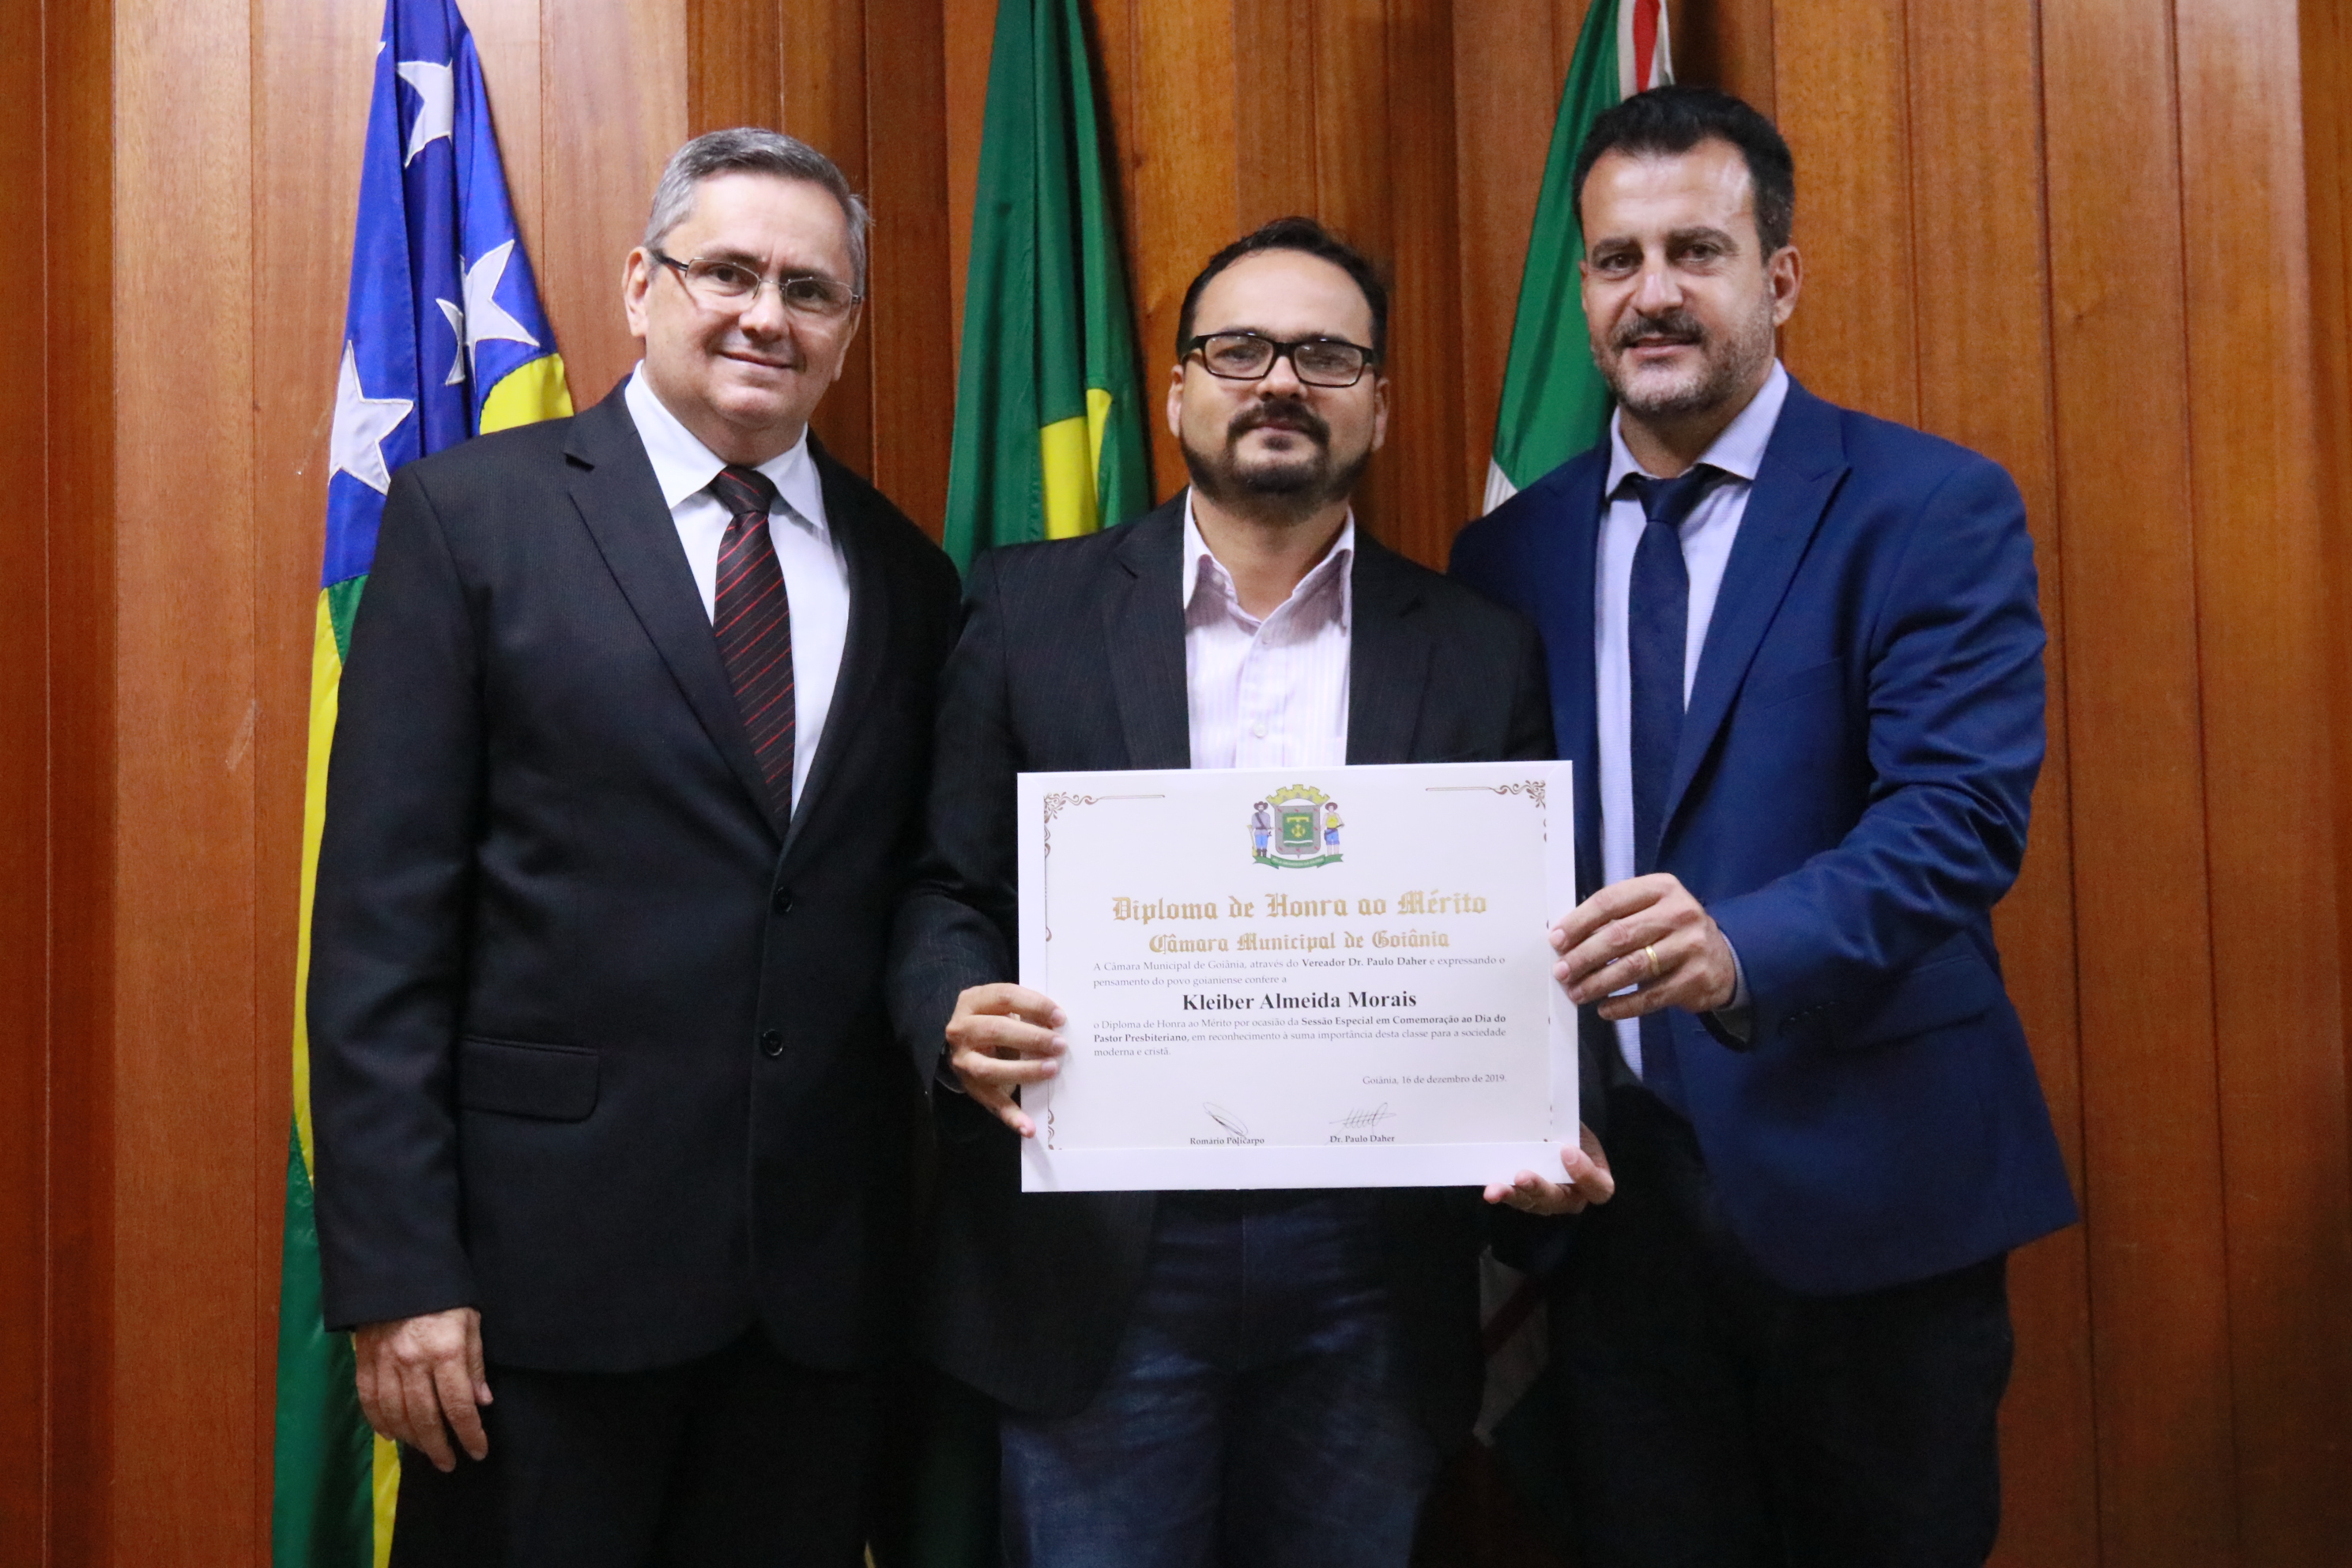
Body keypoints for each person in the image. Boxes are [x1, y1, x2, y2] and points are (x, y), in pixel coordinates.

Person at [889, 217, 1612, 1568]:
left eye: (1328, 356)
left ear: (1378, 405)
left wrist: (1556, 1113)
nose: (1281, 380)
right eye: (1240, 349)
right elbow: (946, 886)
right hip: (1099, 1260)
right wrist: (954, 1011)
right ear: (1178, 392)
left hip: (1370, 1267)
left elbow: (1530, 941)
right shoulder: (1030, 611)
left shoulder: (1478, 649)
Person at [307, 127, 961, 1567]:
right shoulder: (472, 522)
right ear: (638, 284)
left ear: (849, 328)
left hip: (812, 1314)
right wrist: (400, 1271)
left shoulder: (910, 576)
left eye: (810, 289)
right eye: (727, 271)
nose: (765, 315)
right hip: (531, 1303)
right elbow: (377, 938)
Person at [1451, 85, 2078, 1566]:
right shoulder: (1506, 553)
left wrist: (1738, 948)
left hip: (1873, 1188)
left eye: (1698, 251)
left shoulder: (1927, 507)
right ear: (1584, 292)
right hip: (1614, 1219)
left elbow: (1958, 819)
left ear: (1778, 278)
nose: (1654, 293)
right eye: (1618, 260)